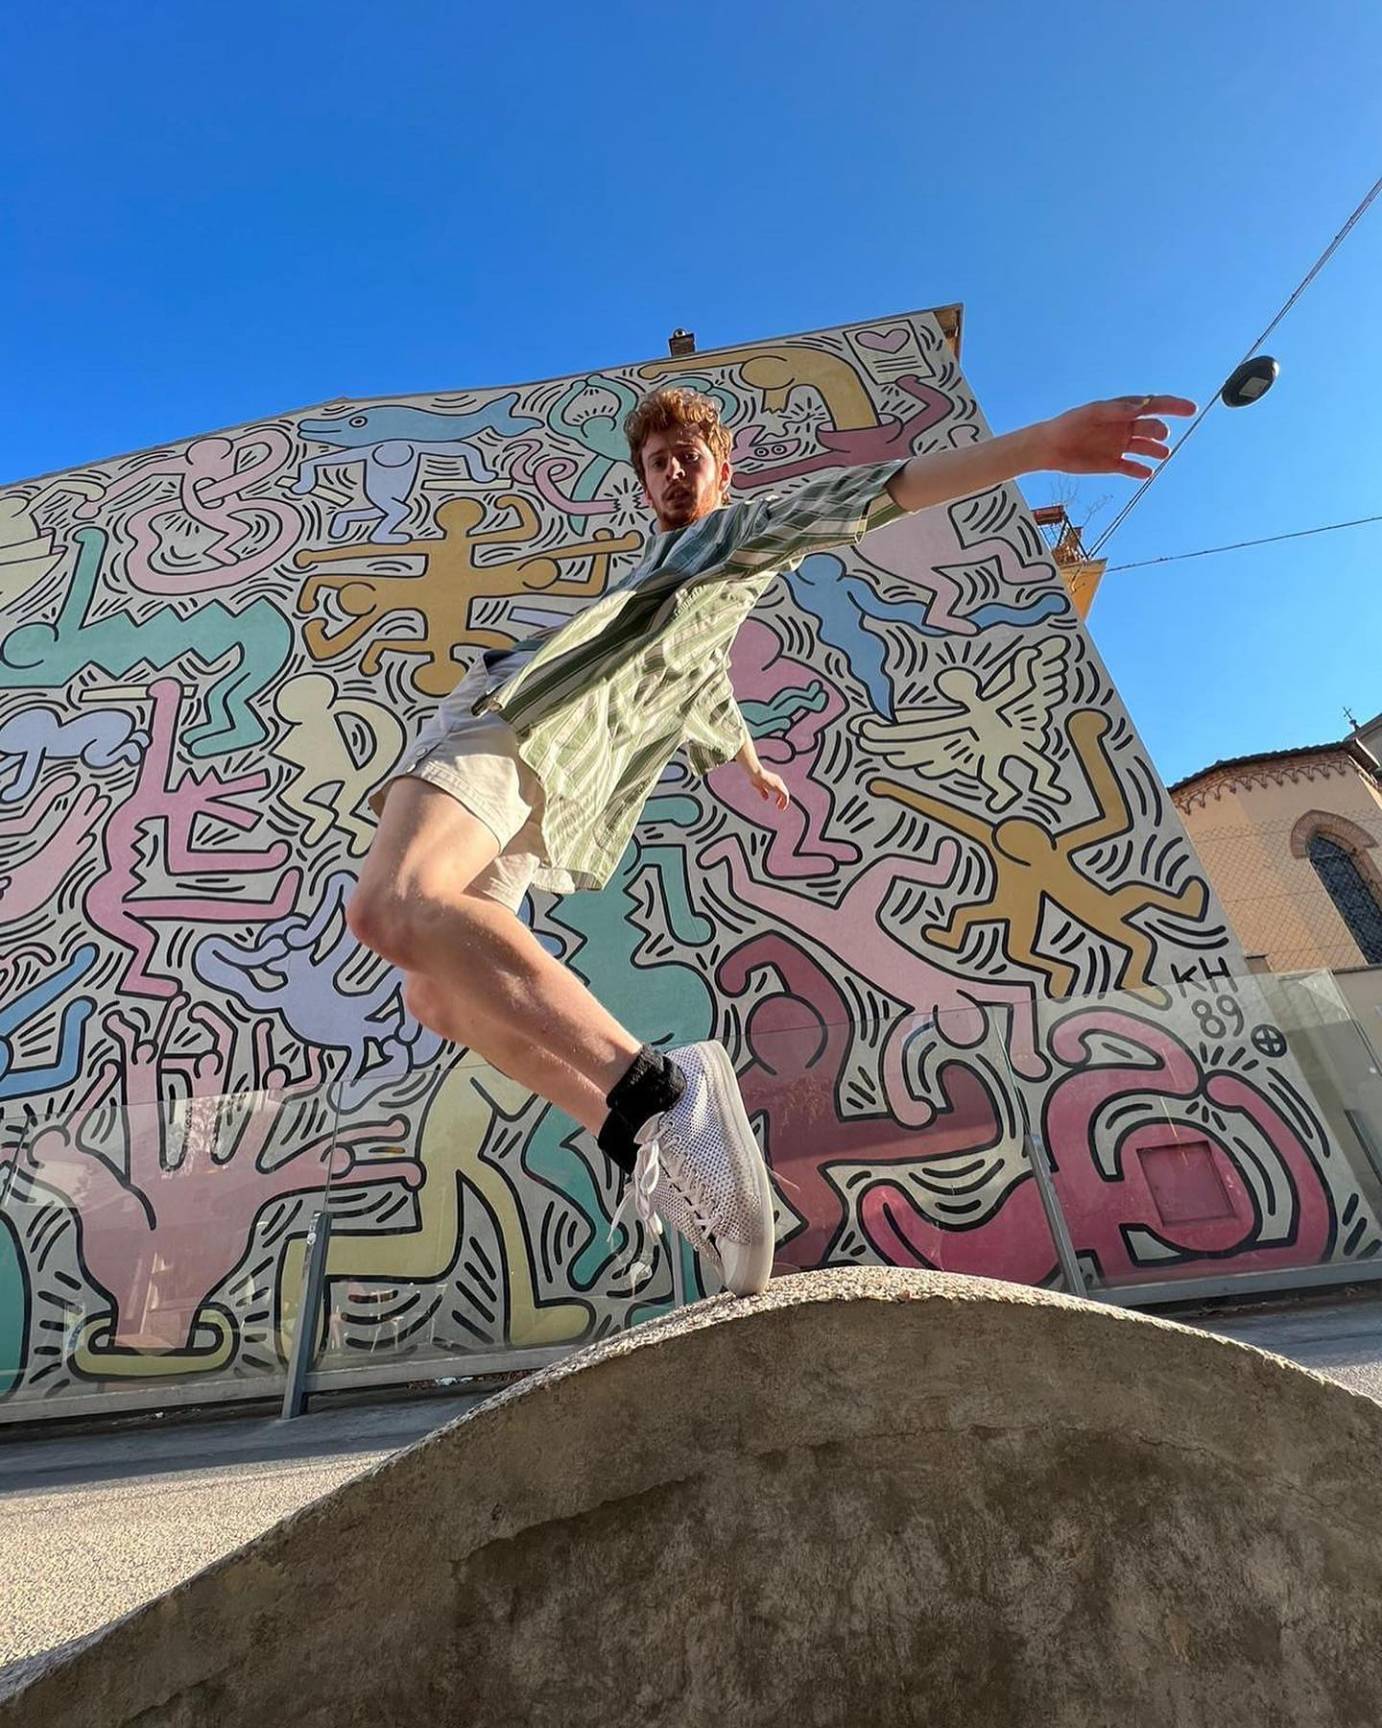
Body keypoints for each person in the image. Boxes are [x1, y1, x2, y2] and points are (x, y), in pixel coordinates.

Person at [346, 382, 1194, 1297]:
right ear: (643, 482)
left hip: (514, 729)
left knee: (396, 906)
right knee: (440, 994)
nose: (673, 474)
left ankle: (666, 1095)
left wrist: (1033, 444)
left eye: (690, 460)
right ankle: (657, 1156)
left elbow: (869, 492)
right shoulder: (670, 577)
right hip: (545, 755)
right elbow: (700, 679)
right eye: (657, 464)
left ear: (724, 470)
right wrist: (748, 758)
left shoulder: (734, 534)